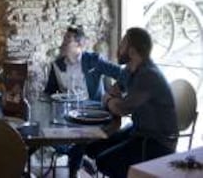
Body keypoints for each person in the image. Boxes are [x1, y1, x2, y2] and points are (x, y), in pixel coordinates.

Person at [85, 27, 178, 178]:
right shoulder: (129, 69)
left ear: (132, 51)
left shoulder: (148, 75)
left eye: (122, 45)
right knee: (93, 147)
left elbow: (121, 108)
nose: (118, 49)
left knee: (105, 161)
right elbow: (115, 90)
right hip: (139, 131)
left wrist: (108, 100)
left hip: (157, 142)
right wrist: (111, 99)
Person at [44, 26, 125, 178]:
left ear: (79, 45)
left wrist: (114, 92)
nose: (62, 43)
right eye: (63, 39)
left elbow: (121, 73)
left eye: (67, 40)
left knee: (81, 136)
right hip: (68, 116)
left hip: (94, 114)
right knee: (56, 135)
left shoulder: (93, 60)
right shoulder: (57, 64)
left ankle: (74, 167)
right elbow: (49, 92)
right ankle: (78, 161)